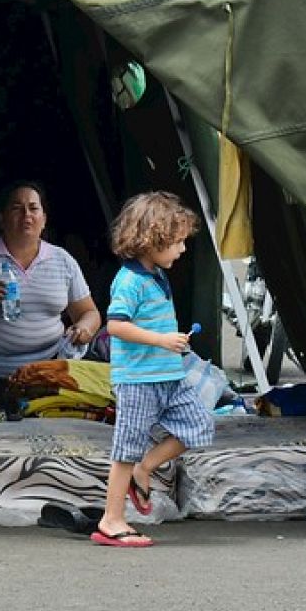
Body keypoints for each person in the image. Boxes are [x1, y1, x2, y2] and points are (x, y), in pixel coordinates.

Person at [93, 191, 213, 548]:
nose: (182, 250)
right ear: (152, 239)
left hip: (169, 377)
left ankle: (145, 469)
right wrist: (161, 340)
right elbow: (115, 326)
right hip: (139, 380)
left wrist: (173, 344)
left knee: (199, 425)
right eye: (176, 243)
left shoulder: (155, 275)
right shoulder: (129, 281)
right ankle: (111, 520)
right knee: (125, 447)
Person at [0, 182, 101, 404]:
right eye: (17, 208)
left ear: (44, 219)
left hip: (50, 373)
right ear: (2, 218)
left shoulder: (63, 260)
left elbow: (89, 312)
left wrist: (84, 328)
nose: (26, 215)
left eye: (34, 208)